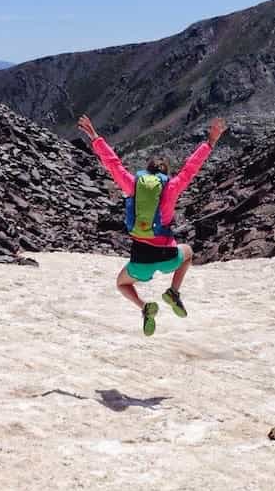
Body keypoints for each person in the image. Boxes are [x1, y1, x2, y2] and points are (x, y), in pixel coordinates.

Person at [78, 114, 227, 336]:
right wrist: (210, 141)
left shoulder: (133, 186)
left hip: (141, 260)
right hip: (167, 256)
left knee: (122, 284)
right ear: (165, 176)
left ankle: (145, 307)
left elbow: (113, 164)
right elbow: (190, 168)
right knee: (188, 252)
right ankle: (174, 292)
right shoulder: (172, 187)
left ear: (147, 173)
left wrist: (94, 136)